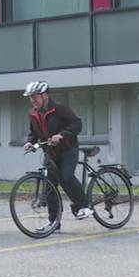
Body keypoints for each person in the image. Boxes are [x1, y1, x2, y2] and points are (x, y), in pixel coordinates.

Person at [21, 80, 90, 232]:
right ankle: (54, 222)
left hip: (68, 149)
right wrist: (30, 142)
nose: (32, 100)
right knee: (49, 187)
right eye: (30, 97)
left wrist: (62, 135)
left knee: (66, 177)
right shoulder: (33, 114)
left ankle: (84, 206)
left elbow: (77, 124)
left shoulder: (60, 109)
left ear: (45, 96)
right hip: (50, 152)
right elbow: (33, 132)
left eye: (35, 96)